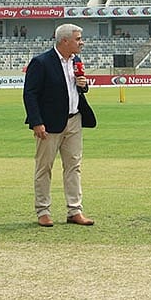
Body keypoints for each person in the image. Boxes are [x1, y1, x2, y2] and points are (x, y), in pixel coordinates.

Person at [23, 23, 97, 227]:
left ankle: (74, 210)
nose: (81, 42)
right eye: (78, 38)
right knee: (44, 168)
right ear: (65, 41)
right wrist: (37, 122)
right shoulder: (41, 62)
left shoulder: (77, 61)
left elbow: (77, 89)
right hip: (49, 124)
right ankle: (43, 211)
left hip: (74, 120)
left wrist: (84, 85)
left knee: (74, 166)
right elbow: (30, 94)